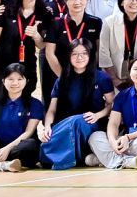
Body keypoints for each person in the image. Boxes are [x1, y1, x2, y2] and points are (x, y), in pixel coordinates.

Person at [38, 40, 113, 169]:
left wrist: (97, 115)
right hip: (66, 123)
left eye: (84, 53)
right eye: (75, 54)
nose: (79, 57)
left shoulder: (102, 78)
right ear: (69, 56)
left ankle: (66, 159)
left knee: (78, 121)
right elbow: (52, 110)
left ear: (90, 55)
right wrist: (47, 127)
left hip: (91, 122)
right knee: (50, 139)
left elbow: (111, 104)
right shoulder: (61, 80)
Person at [44, 0, 102, 104]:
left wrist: (90, 73)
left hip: (88, 77)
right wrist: (63, 77)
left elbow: (98, 51)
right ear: (66, 1)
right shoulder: (56, 24)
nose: (77, 2)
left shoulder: (95, 22)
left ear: (87, 0)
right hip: (62, 75)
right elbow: (50, 53)